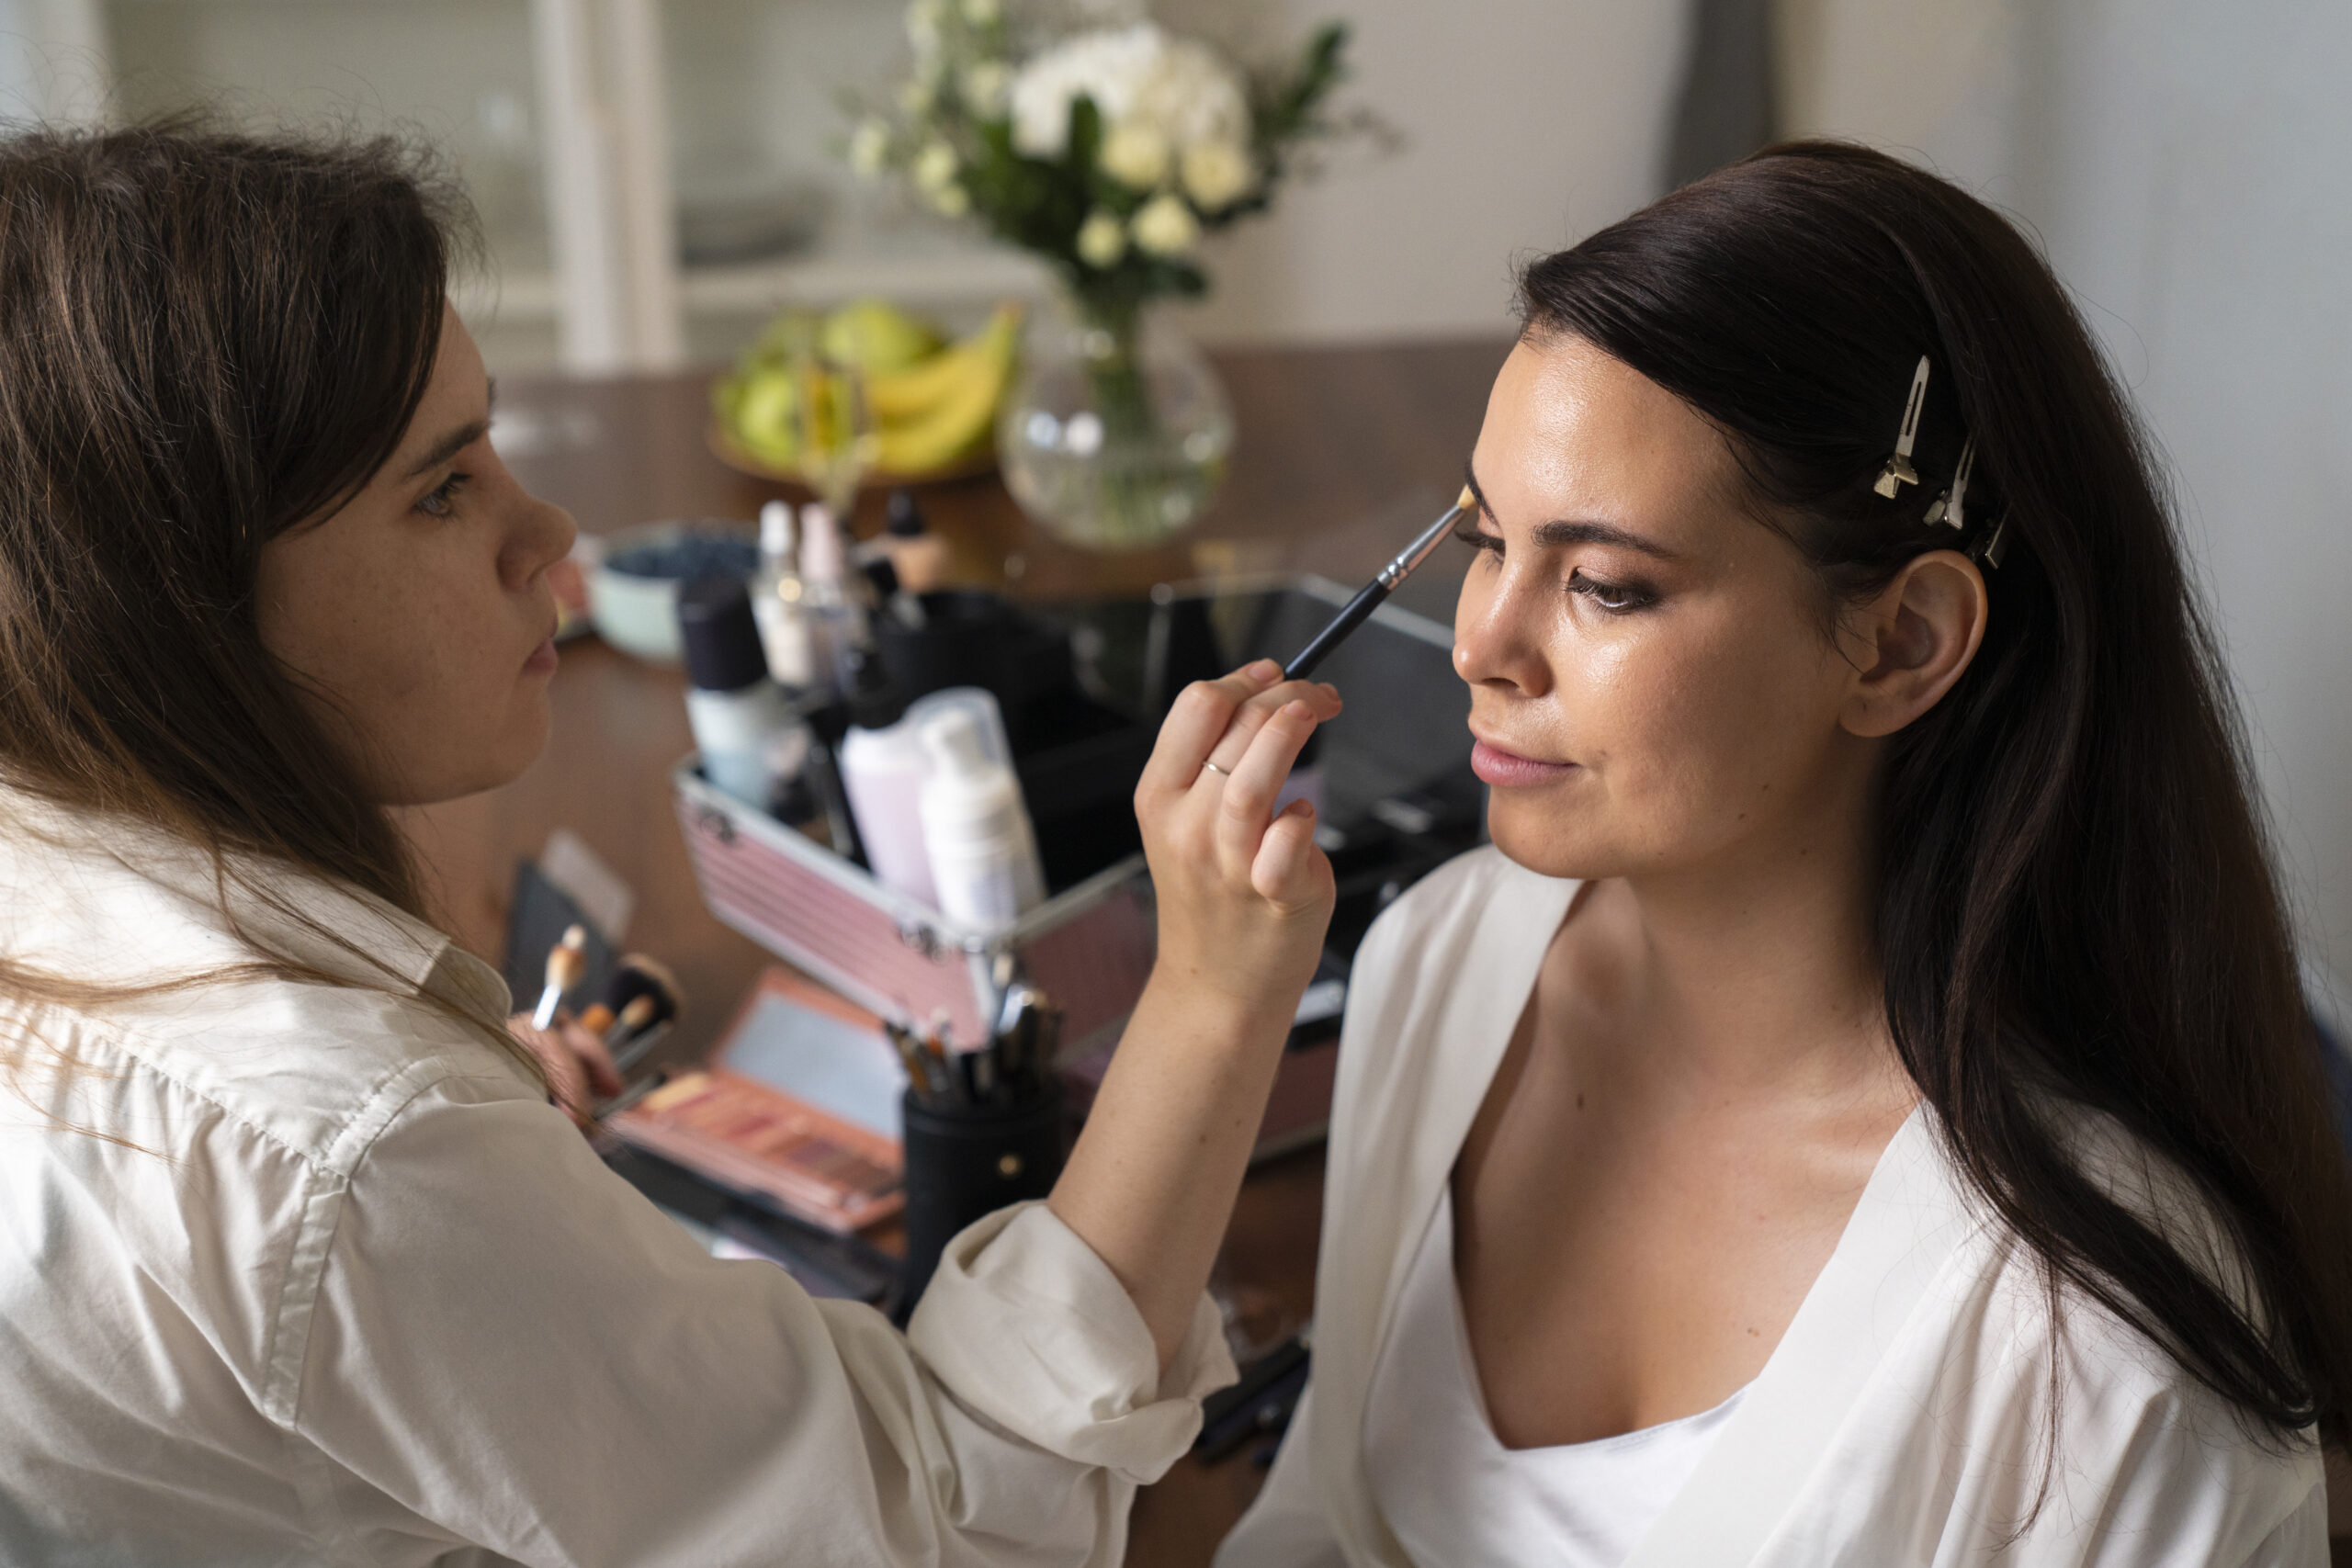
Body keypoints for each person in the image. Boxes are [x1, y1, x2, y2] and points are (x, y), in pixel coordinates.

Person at [0, 125, 1344, 1564]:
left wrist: (451, 1183)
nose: (547, 528)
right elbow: (946, 1512)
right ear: (178, 615)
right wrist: (1209, 989)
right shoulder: (355, 1155)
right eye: (443, 489)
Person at [1216, 141, 2352, 1567]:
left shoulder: (2099, 1353)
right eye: (1486, 540)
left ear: (1902, 644)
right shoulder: (1441, 958)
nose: (1482, 645)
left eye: (1607, 585)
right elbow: (1318, 1523)